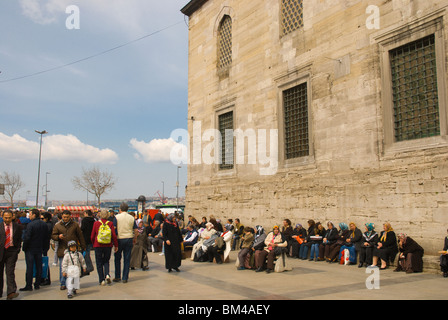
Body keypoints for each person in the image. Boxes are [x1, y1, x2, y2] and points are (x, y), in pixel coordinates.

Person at [51, 210, 86, 290]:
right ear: (62, 217)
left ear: (70, 216)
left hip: (73, 249)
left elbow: (80, 236)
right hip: (62, 249)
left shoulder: (75, 225)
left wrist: (83, 246)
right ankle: (63, 283)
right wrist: (58, 237)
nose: (65, 218)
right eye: (64, 217)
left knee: (73, 266)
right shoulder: (58, 225)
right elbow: (53, 235)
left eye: (67, 217)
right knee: (63, 267)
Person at [21, 209, 49, 292]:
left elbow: (27, 238)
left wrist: (24, 247)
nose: (29, 216)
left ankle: (29, 285)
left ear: (34, 215)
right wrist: (45, 248)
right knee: (38, 266)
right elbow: (46, 237)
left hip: (30, 248)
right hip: (39, 248)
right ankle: (37, 284)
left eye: (30, 214)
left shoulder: (30, 225)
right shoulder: (44, 224)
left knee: (30, 267)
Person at [91, 209, 118, 285]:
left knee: (99, 262)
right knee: (106, 261)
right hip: (108, 245)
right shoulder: (110, 223)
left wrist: (94, 243)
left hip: (98, 245)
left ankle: (101, 279)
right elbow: (114, 235)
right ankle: (107, 274)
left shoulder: (96, 223)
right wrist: (116, 245)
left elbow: (92, 235)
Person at [0, 210, 23, 300]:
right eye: (6, 217)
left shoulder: (17, 227)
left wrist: (17, 249)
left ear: (12, 217)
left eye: (9, 217)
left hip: (12, 252)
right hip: (1, 252)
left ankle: (11, 292)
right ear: (2, 217)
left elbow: (19, 239)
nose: (8, 219)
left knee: (10, 272)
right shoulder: (0, 226)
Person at [113, 202, 138, 283]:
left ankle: (117, 276)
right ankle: (125, 277)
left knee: (117, 258)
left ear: (120, 209)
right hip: (129, 238)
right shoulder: (131, 218)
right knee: (127, 259)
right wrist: (135, 238)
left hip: (119, 239)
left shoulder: (116, 217)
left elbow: (114, 228)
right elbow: (136, 230)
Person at [81, 210, 96, 276]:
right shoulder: (93, 220)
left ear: (87, 213)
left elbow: (82, 228)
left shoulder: (84, 220)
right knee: (88, 252)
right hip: (91, 238)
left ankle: (88, 267)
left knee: (85, 253)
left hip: (85, 238)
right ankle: (87, 266)